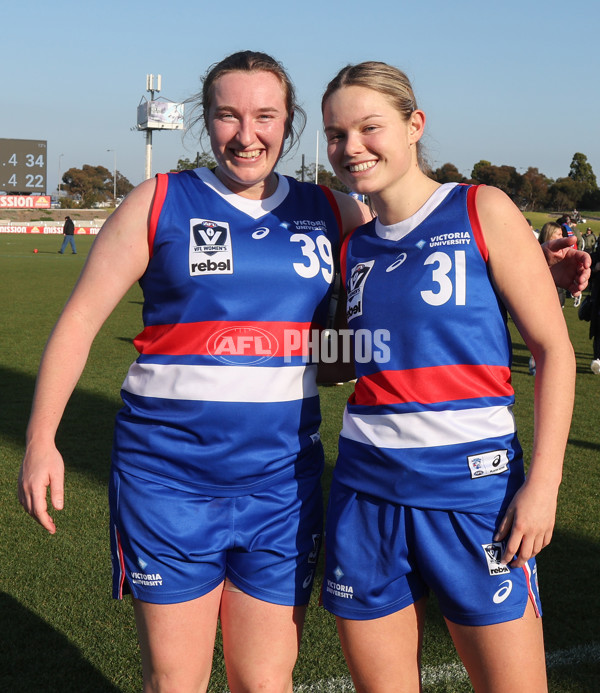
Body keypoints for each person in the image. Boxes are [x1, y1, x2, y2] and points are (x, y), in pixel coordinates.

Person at [18, 50, 370, 693]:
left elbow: (413, 272)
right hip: (168, 485)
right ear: (204, 122)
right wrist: (42, 439)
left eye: (264, 116)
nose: (246, 134)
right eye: (227, 116)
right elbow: (77, 323)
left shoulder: (331, 211)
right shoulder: (159, 201)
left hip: (281, 487)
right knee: (175, 681)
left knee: (264, 681)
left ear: (287, 124)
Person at [320, 61, 576, 692]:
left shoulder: (479, 209)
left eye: (368, 127)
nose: (350, 147)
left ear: (415, 126)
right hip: (366, 494)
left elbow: (553, 350)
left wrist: (542, 486)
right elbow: (348, 359)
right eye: (334, 134)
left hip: (473, 496)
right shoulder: (355, 245)